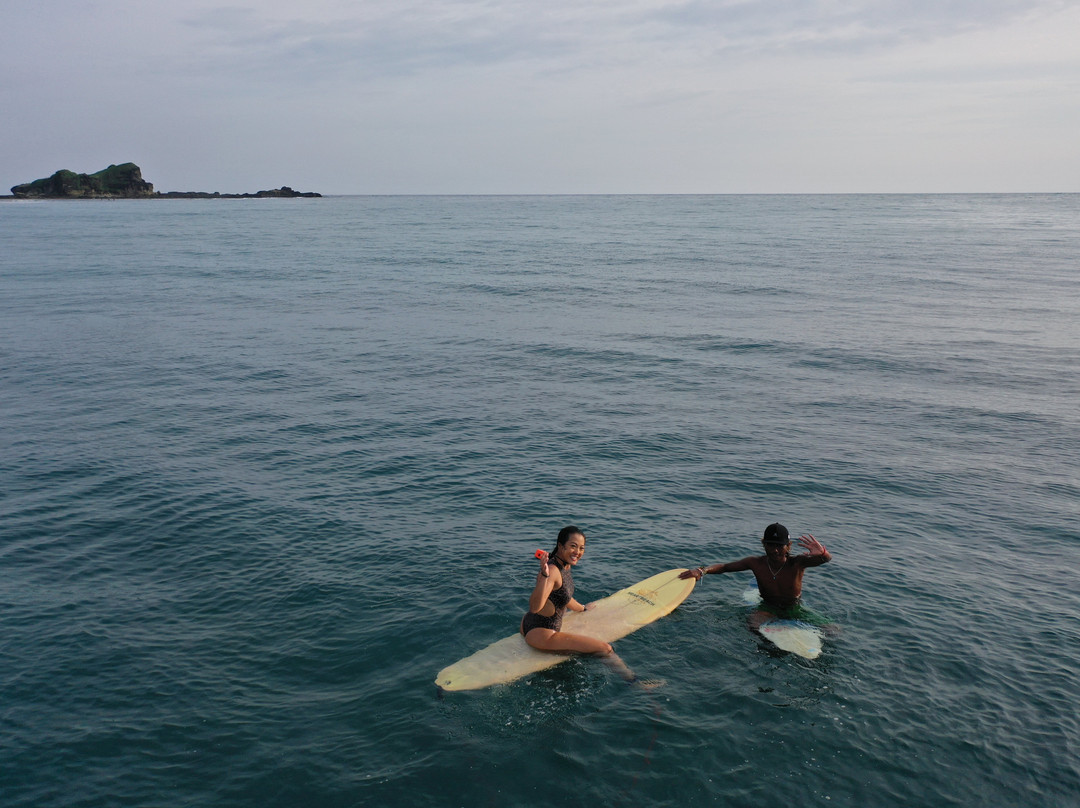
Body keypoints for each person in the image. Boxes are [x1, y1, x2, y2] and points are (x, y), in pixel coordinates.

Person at [522, 525, 653, 686]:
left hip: (528, 624)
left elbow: (563, 596)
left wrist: (582, 608)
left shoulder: (561, 564)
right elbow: (535, 607)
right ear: (561, 546)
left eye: (582, 548)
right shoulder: (552, 571)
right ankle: (637, 684)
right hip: (542, 634)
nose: (578, 552)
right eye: (573, 546)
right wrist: (543, 577)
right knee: (605, 649)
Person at [679, 523, 832, 627]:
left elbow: (825, 560)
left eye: (780, 545)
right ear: (763, 544)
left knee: (832, 630)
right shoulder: (756, 563)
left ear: (788, 546)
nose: (775, 550)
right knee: (753, 625)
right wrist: (702, 570)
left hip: (794, 607)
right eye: (770, 545)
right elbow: (725, 567)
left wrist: (823, 553)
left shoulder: (797, 563)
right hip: (768, 607)